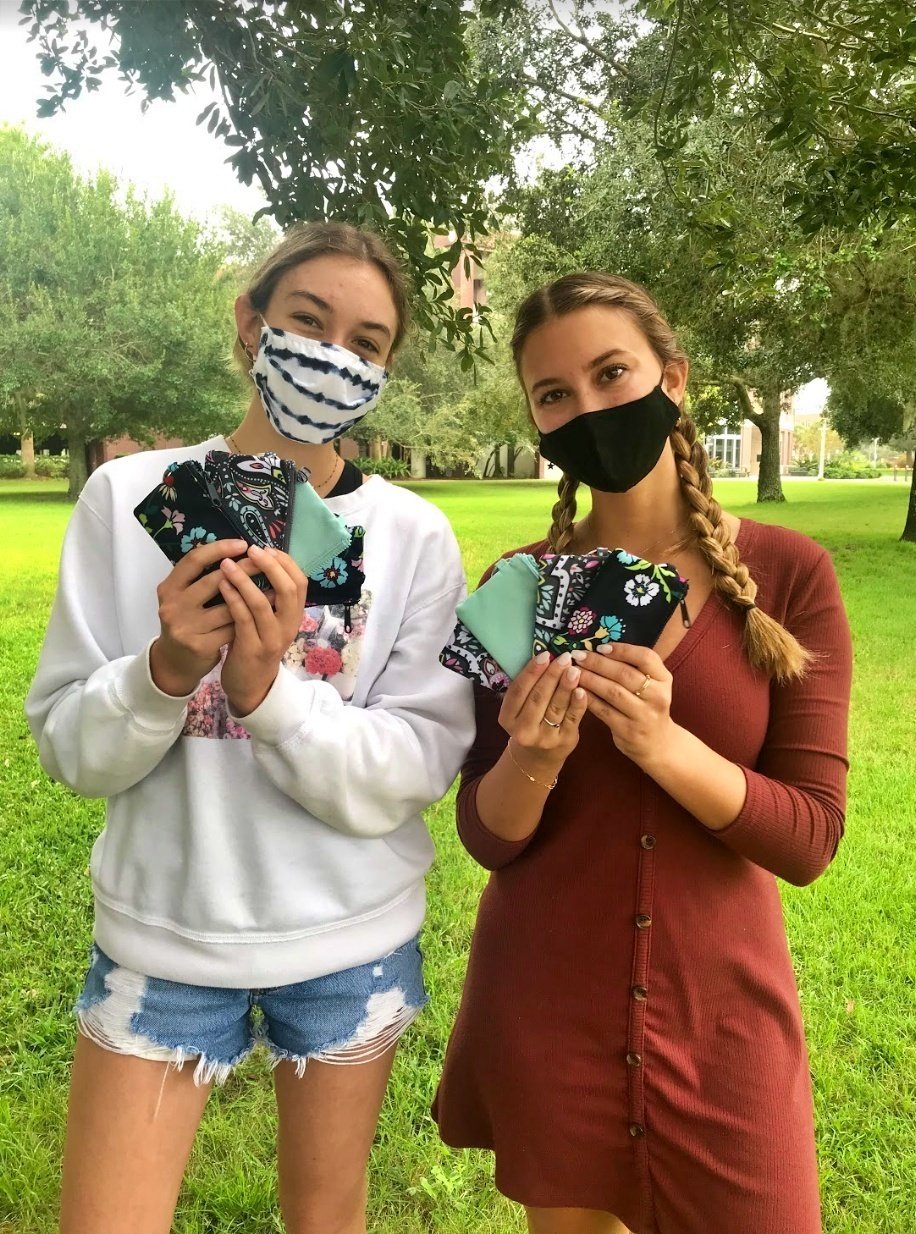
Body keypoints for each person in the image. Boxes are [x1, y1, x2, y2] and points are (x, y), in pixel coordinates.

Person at [26, 221, 474, 1234]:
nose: (332, 356)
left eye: (365, 343)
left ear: (384, 371)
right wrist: (164, 671)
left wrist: (269, 695)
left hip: (352, 939)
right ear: (249, 321)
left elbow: (414, 764)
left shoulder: (411, 533)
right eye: (307, 321)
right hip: (165, 937)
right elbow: (69, 747)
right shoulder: (128, 498)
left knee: (327, 1216)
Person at [432, 272, 852, 1234]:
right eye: (554, 394)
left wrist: (663, 745)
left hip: (724, 1024)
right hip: (547, 1008)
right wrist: (534, 756)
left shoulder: (789, 575)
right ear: (537, 423)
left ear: (674, 378)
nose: (588, 408)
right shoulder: (518, 586)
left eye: (611, 374)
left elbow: (809, 840)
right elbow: (487, 837)